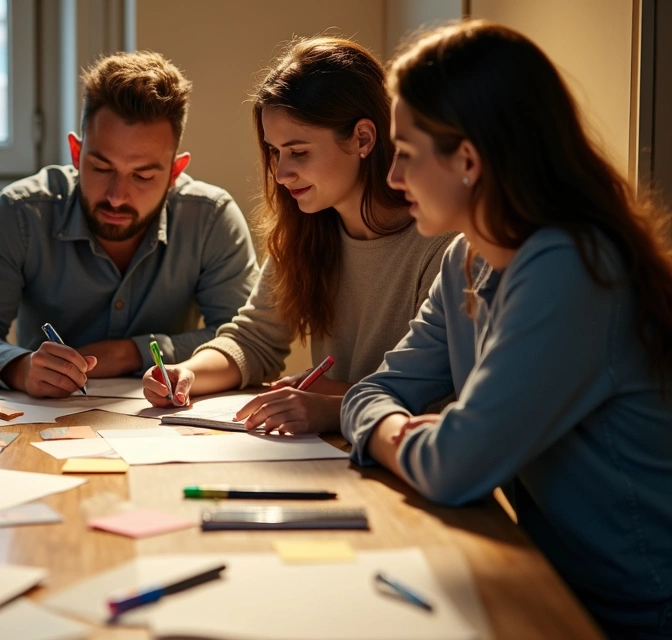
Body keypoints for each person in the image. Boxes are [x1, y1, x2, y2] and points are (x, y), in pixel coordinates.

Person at [342, 21, 672, 638]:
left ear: (468, 161)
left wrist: (397, 434)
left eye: (406, 155)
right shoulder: (465, 259)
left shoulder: (571, 268)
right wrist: (406, 430)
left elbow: (455, 466)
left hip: (634, 614)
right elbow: (370, 392)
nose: (391, 178)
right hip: (548, 580)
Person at [141, 37, 453, 434]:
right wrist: (186, 373)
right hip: (341, 446)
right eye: (274, 152)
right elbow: (255, 339)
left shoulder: (439, 243)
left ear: (363, 138)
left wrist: (332, 403)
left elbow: (435, 395)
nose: (280, 174)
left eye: (299, 152)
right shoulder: (309, 227)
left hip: (399, 451)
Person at [0, 51, 259, 398]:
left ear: (174, 173)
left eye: (143, 176)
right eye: (102, 168)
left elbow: (248, 342)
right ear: (77, 154)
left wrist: (129, 353)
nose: (117, 197)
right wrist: (21, 368)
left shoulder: (210, 218)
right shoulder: (22, 212)